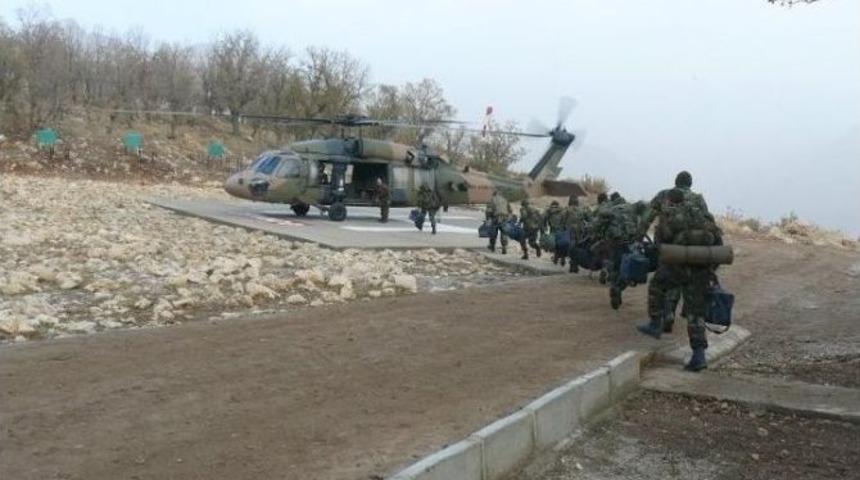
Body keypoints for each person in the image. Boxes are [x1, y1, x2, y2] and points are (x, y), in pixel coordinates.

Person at [638, 184, 723, 372]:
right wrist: (710, 270)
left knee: (656, 286)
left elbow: (661, 243)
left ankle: (655, 323)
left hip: (676, 267)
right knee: (695, 312)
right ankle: (699, 355)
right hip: (701, 269)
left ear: (670, 201)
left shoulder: (670, 217)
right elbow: (718, 245)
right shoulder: (704, 216)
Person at [638, 171, 707, 332]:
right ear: (690, 184)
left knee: (661, 283)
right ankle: (697, 348)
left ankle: (660, 319)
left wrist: (638, 236)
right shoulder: (698, 199)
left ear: (675, 182)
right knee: (685, 286)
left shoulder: (665, 195)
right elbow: (706, 222)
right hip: (694, 251)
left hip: (669, 249)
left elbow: (647, 217)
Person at [562, 195, 589, 273]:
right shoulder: (582, 210)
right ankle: (575, 265)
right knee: (578, 249)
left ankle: (572, 265)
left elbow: (562, 221)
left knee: (571, 248)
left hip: (570, 233)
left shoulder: (566, 210)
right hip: (580, 233)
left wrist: (564, 229)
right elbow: (589, 219)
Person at [485, 190, 512, 254]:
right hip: (505, 217)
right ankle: (504, 247)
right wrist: (509, 218)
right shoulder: (505, 200)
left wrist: (488, 219)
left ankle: (492, 246)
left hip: (496, 217)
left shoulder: (492, 199)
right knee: (504, 232)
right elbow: (510, 210)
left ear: (494, 194)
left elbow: (488, 210)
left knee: (493, 232)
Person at [543, 200, 567, 265]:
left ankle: (556, 259)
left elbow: (543, 218)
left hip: (553, 230)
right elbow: (566, 220)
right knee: (561, 245)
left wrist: (544, 227)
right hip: (562, 230)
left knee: (555, 245)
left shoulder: (549, 211)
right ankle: (562, 258)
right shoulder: (563, 211)